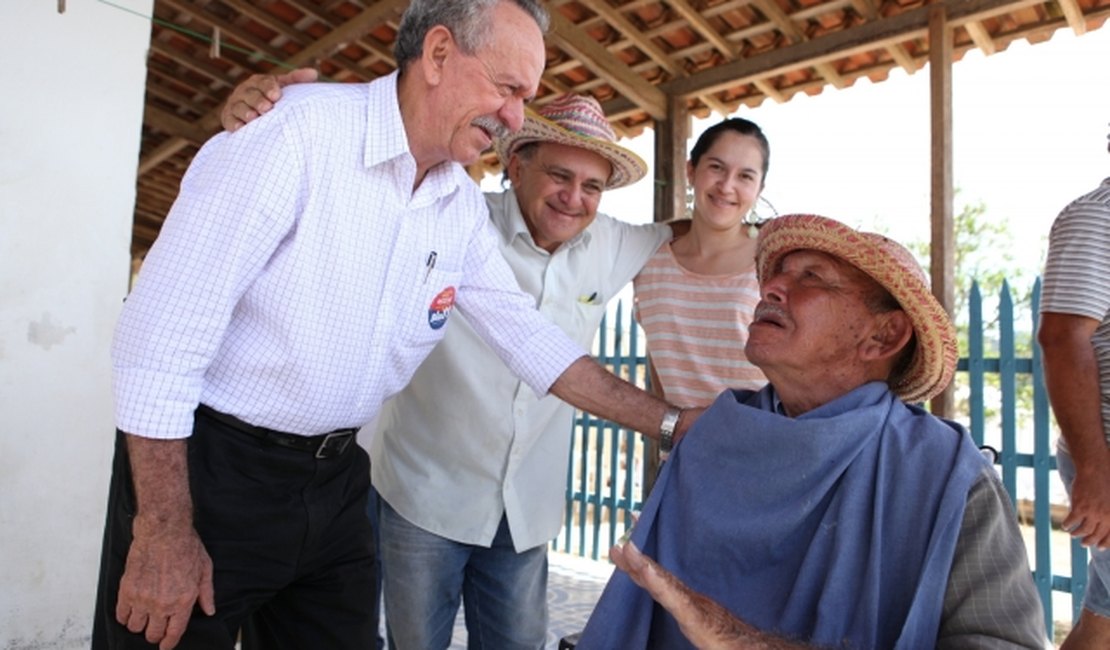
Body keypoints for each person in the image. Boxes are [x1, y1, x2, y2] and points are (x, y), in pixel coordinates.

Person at [93, 2, 695, 649]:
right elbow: (158, 340)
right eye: (509, 88)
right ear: (438, 54)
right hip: (214, 476)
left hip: (336, 480)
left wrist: (670, 423)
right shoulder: (295, 134)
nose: (516, 117)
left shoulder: (457, 204)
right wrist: (160, 527)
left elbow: (531, 340)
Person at [223, 76, 678, 646]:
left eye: (592, 186)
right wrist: (257, 111)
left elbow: (700, 238)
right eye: (560, 176)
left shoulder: (612, 244)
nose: (574, 198)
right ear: (515, 166)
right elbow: (362, 182)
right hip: (424, 494)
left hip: (525, 512)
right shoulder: (450, 216)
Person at [576, 214, 1048, 649]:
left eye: (813, 278)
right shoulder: (713, 440)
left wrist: (740, 640)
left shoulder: (948, 479)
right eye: (778, 275)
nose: (772, 288)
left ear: (882, 336)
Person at [633, 118, 771, 412]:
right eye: (716, 167)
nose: (727, 186)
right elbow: (661, 370)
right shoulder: (649, 265)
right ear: (691, 170)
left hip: (769, 448)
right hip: (684, 453)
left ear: (759, 189)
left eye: (745, 176)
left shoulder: (773, 262)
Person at [1038, 130, 1110, 649]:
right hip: (1107, 451)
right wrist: (1095, 467)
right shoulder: (1096, 218)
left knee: (1103, 618)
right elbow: (1062, 337)